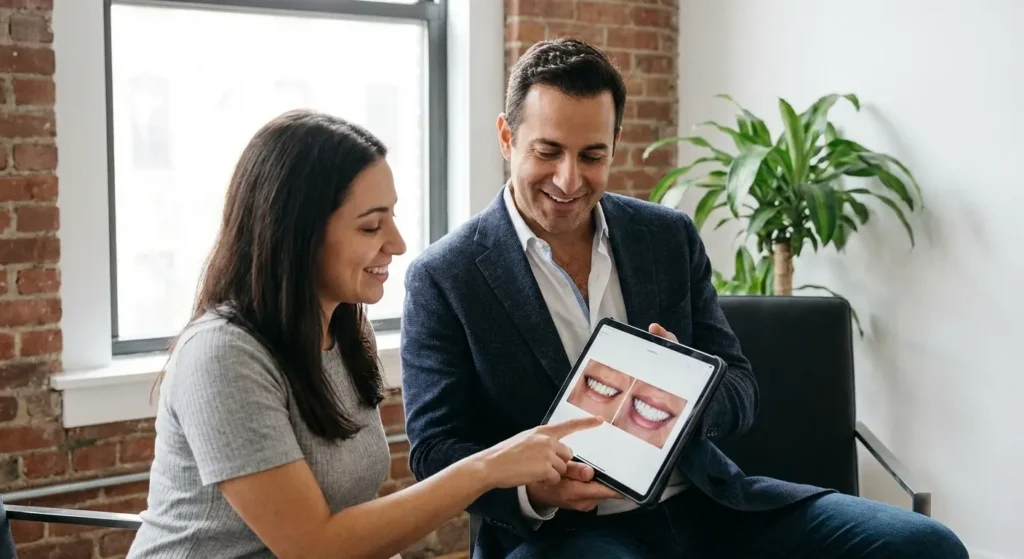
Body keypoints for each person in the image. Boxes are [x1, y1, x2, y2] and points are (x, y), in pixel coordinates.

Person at [399, 38, 969, 558]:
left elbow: (741, 388)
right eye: (548, 151)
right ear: (506, 136)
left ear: (616, 144)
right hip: (566, 532)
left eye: (593, 155)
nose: (570, 180)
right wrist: (532, 489)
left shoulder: (665, 237)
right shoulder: (443, 277)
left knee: (926, 546)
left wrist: (687, 395)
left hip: (710, 503)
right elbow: (434, 452)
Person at [126, 109, 603, 559]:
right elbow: (316, 548)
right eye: (372, 225)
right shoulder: (222, 356)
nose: (396, 243)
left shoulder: (345, 332)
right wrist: (486, 467)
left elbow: (355, 528)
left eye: (392, 216)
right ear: (298, 235)